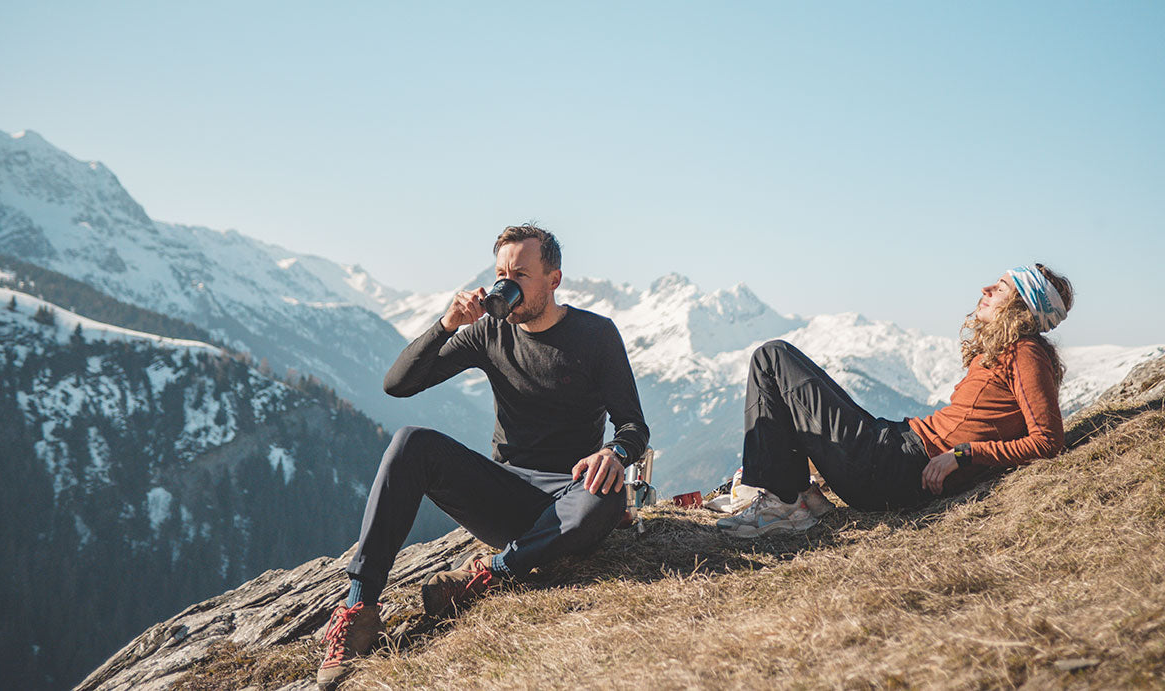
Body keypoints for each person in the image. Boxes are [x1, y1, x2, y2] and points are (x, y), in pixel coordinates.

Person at [316, 224, 649, 688]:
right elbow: (398, 385)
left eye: (520, 275)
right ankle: (359, 606)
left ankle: (491, 573)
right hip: (505, 492)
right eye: (500, 273)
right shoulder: (488, 332)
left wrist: (614, 452)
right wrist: (446, 324)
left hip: (572, 490)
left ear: (553, 280)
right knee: (411, 442)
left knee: (607, 501)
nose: (505, 286)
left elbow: (634, 424)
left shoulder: (595, 335)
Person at [718, 264, 1073, 537]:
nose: (987, 289)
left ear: (1021, 306)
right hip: (893, 446)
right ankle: (791, 496)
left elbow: (1047, 440)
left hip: (895, 467)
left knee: (772, 357)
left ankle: (783, 503)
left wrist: (963, 455)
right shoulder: (1008, 350)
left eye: (1002, 288)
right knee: (786, 380)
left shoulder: (1026, 352)